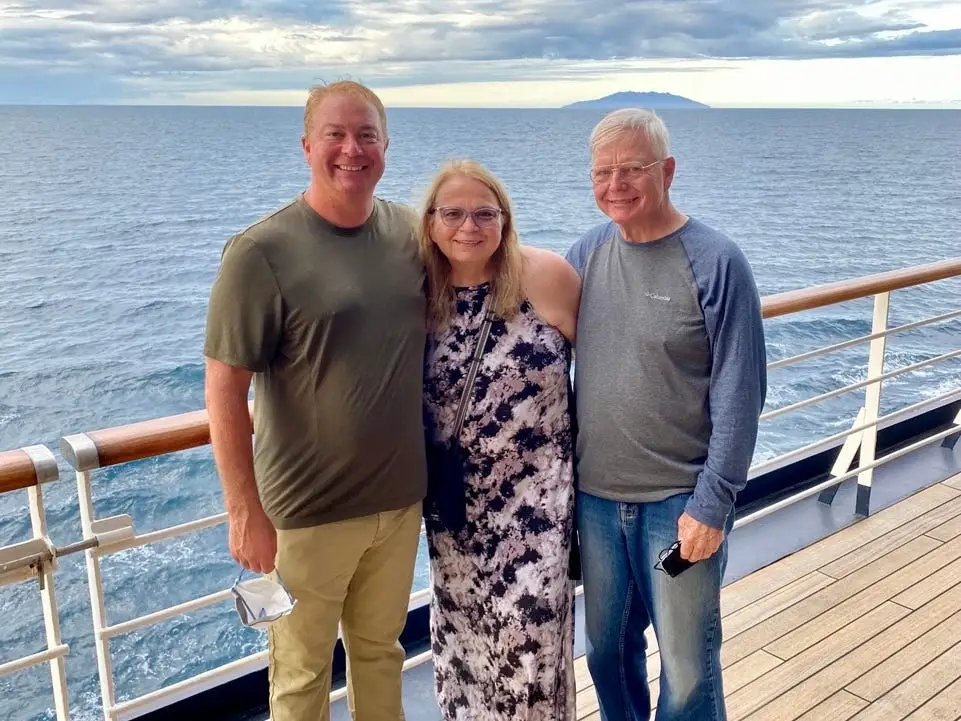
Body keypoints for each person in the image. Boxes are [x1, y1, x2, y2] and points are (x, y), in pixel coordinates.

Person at [203, 80, 427, 721]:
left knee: (381, 654)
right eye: (336, 134)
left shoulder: (411, 234)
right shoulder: (260, 253)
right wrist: (244, 510)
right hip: (306, 515)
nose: (351, 149)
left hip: (399, 503)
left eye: (367, 134)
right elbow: (223, 389)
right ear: (307, 145)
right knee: (300, 679)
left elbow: (486, 263)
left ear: (386, 146)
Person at [565, 108, 767, 720]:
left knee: (686, 668)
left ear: (668, 171)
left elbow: (741, 388)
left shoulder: (714, 260)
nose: (615, 185)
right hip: (597, 503)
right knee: (605, 655)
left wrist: (713, 503)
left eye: (633, 168)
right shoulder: (584, 255)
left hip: (680, 506)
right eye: (603, 172)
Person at [419, 158, 582, 720]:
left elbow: (609, 377)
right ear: (431, 223)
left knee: (528, 650)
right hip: (454, 514)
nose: (469, 226)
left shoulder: (548, 278)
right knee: (466, 653)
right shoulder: (418, 295)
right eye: (454, 213)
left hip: (536, 509)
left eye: (484, 213)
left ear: (505, 220)